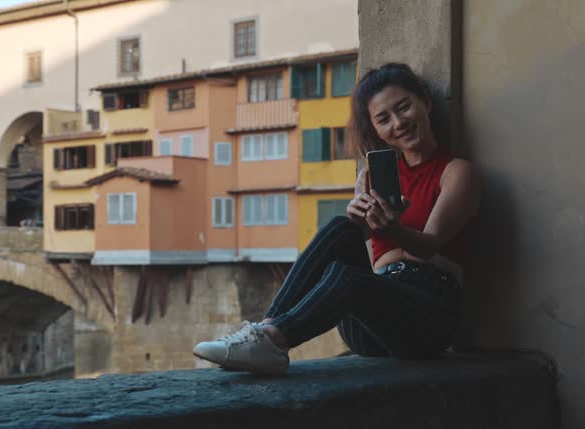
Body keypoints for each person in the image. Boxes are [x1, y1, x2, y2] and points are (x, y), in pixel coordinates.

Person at [193, 63, 480, 375]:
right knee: (341, 227)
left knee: (346, 276)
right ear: (375, 129)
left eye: (404, 107)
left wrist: (392, 228)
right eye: (384, 119)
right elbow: (356, 241)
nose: (398, 123)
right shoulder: (373, 176)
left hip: (427, 317)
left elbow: (430, 245)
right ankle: (265, 329)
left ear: (424, 101)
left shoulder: (456, 172)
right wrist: (359, 220)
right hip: (373, 320)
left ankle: (274, 341)